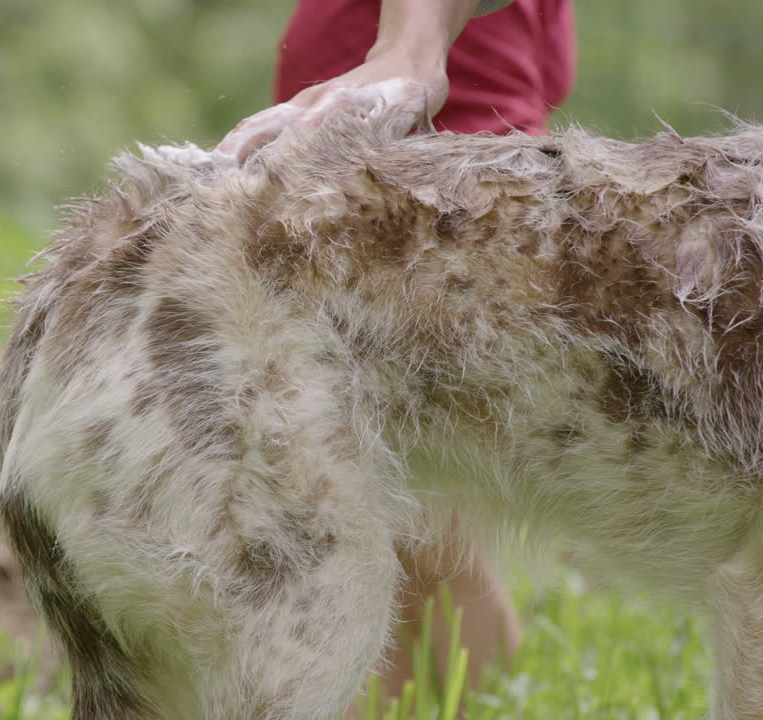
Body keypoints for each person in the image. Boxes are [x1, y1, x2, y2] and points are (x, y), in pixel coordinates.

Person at [218, 0, 576, 707]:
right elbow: (551, 72)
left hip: (435, 200)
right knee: (408, 530)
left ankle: (476, 703)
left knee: (425, 532)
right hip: (421, 192)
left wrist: (410, 45)